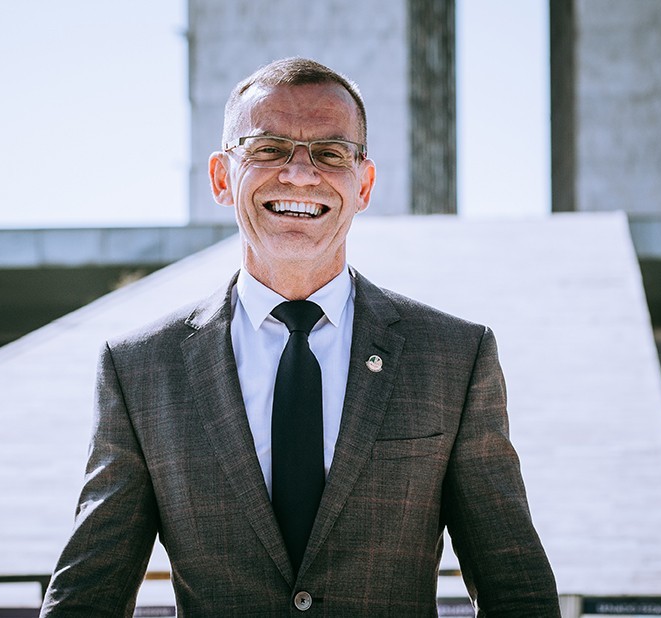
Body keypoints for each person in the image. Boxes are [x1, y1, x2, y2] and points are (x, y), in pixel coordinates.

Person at [40, 57, 560, 617]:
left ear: (364, 184)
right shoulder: (141, 370)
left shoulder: (454, 358)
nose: (300, 174)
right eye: (268, 148)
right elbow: (87, 597)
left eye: (330, 153)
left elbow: (515, 588)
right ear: (221, 177)